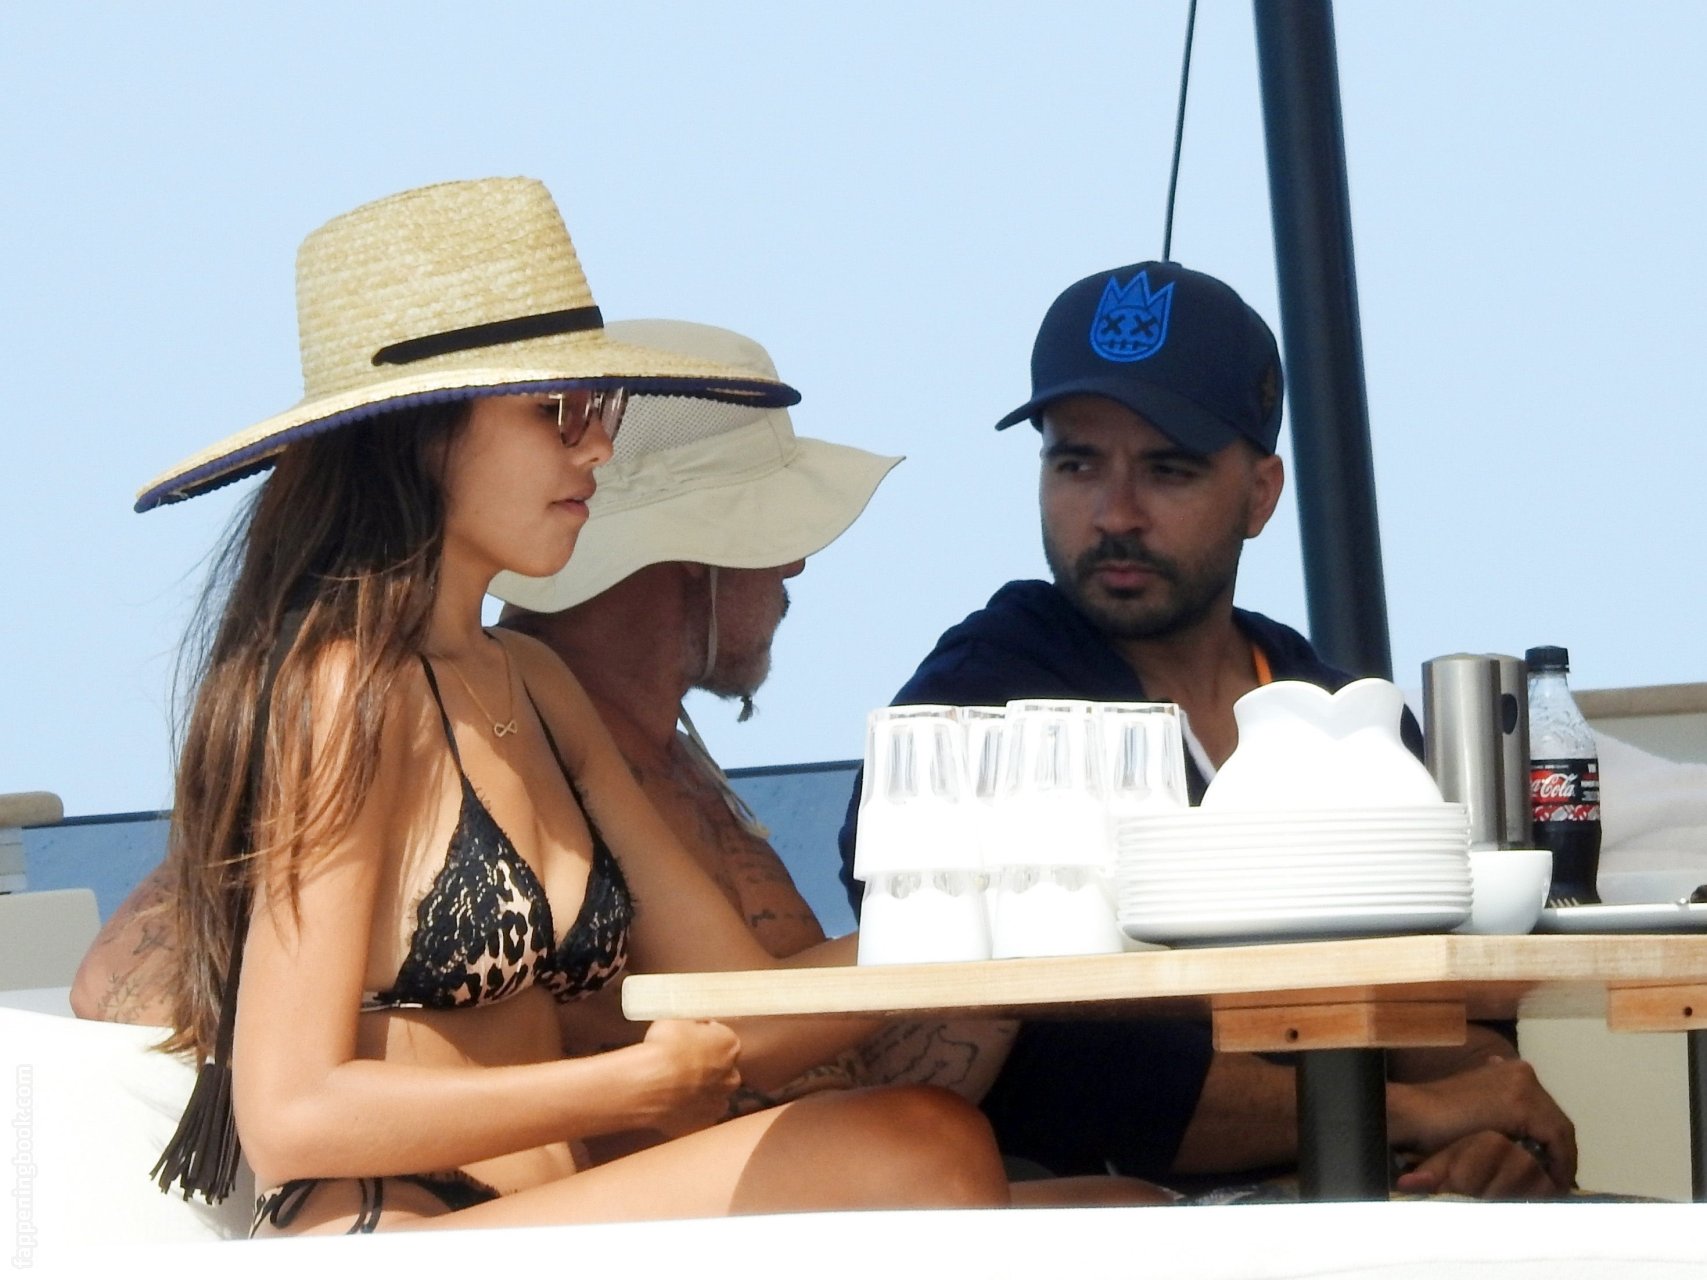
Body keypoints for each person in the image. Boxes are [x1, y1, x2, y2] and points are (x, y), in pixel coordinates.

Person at [133, 176, 1010, 1234]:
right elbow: (289, 1116)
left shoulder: (534, 685)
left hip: (544, 1221)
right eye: (560, 410)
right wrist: (622, 1088)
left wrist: (1014, 914)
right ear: (421, 433)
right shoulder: (339, 691)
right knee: (920, 1145)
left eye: (606, 409)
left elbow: (745, 1009)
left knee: (1088, 1194)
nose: (597, 446)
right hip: (395, 1234)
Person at [836, 259, 1579, 1201]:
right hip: (1108, 1222)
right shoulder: (974, 705)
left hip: (1377, 1195)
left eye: (1167, 470)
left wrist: (1492, 1127)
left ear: (1260, 493)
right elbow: (1075, 1077)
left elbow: (1445, 1002)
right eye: (1075, 463)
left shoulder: (1337, 705)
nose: (1114, 514)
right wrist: (1417, 1112)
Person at [490, 319, 1023, 1130]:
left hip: (828, 1185)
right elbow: (741, 1036)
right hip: (667, 1212)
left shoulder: (663, 756)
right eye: (773, 533)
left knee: (1109, 1185)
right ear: (692, 551)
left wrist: (1032, 907)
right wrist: (1001, 899)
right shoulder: (518, 743)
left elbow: (827, 1069)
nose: (794, 563)